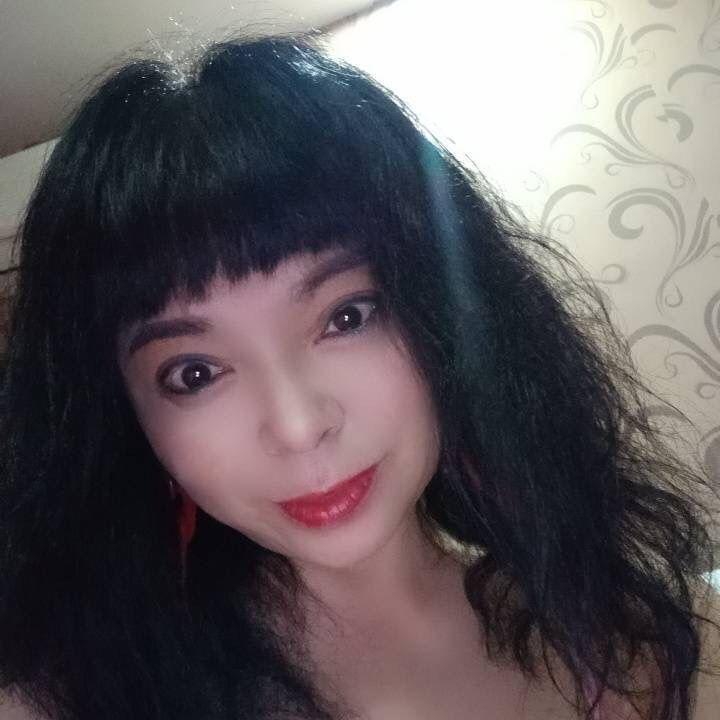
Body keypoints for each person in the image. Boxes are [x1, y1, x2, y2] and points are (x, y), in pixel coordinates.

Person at [0, 33, 718, 720]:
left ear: (443, 314)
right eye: (195, 372)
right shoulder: (68, 703)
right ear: (127, 422)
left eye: (346, 317)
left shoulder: (659, 643)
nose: (299, 425)